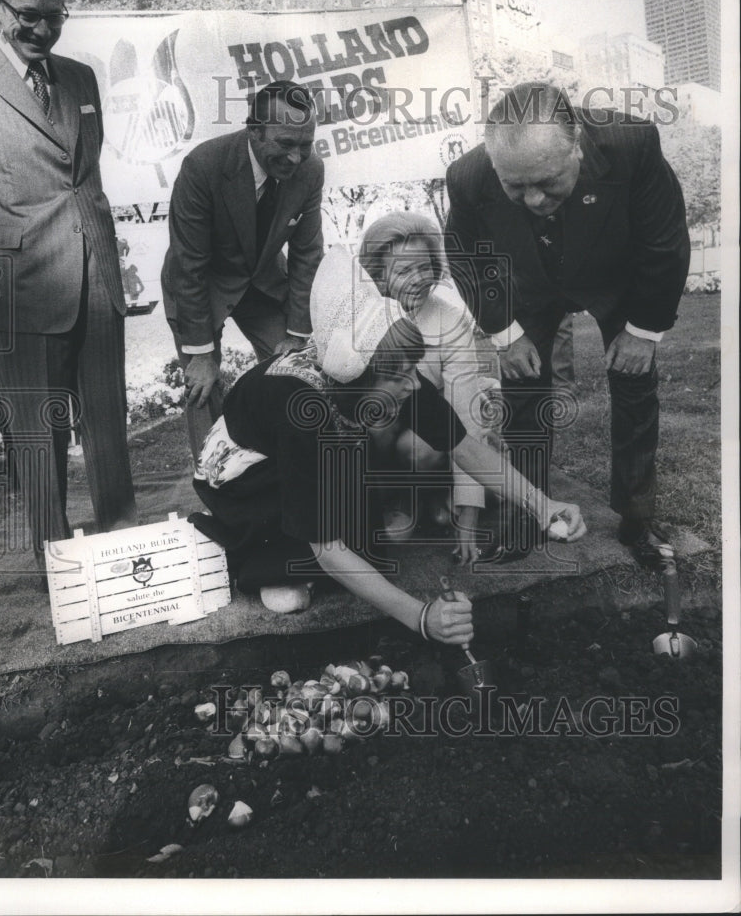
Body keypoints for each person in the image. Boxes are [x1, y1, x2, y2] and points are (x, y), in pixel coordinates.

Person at [189, 244, 585, 639]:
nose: (413, 384)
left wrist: (542, 504)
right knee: (320, 550)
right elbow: (326, 544)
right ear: (361, 381)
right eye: (400, 378)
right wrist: (421, 618)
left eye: (412, 371)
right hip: (248, 483)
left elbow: (464, 447)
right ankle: (266, 565)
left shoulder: (393, 370)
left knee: (367, 549)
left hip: (307, 455)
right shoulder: (302, 409)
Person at [445, 81, 690, 568]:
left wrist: (642, 330)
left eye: (547, 181)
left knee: (635, 384)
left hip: (615, 273)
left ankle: (639, 517)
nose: (534, 199)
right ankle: (530, 512)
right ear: (494, 165)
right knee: (523, 394)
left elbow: (664, 241)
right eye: (515, 186)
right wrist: (505, 332)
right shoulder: (467, 175)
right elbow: (466, 255)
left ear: (576, 144)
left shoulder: (633, 143)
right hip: (531, 284)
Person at [0, 0, 137, 581]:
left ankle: (121, 539)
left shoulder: (80, 78)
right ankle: (55, 559)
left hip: (96, 275)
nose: (43, 31)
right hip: (18, 281)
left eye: (57, 17)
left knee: (106, 418)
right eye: (30, 16)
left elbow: (83, 181)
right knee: (39, 433)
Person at [161, 79, 324, 461]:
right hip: (201, 285)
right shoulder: (203, 165)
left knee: (299, 373)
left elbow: (307, 254)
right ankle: (214, 483)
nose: (296, 158)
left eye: (305, 144)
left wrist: (297, 334)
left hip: (263, 282)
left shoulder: (311, 170)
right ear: (254, 131)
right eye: (285, 144)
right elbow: (189, 265)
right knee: (203, 387)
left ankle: (282, 470)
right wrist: (201, 354)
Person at [356, 211, 495, 564]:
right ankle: (396, 497)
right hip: (378, 433)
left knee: (421, 445)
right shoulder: (359, 317)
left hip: (431, 435)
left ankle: (434, 493)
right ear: (378, 276)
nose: (419, 279)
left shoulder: (450, 319)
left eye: (425, 266)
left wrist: (469, 518)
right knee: (377, 421)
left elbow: (465, 413)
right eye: (403, 271)